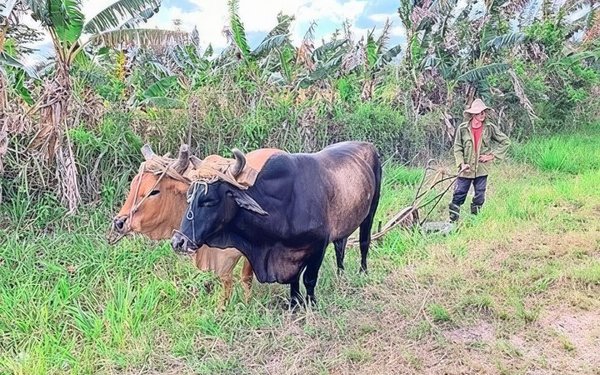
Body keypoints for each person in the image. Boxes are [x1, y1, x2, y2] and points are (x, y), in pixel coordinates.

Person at [449, 98, 510, 222]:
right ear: (473, 114)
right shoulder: (463, 128)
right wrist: (461, 164)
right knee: (459, 194)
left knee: (479, 196)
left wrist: (491, 156)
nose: (482, 115)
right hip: (466, 169)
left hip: (482, 169)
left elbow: (506, 141)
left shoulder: (489, 128)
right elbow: (457, 147)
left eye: (483, 112)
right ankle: (453, 221)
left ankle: (474, 220)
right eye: (479, 113)